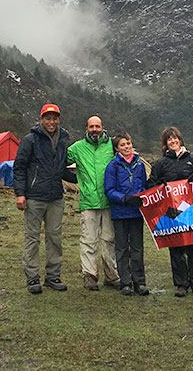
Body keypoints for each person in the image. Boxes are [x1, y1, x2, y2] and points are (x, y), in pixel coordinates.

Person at [13, 103, 71, 294]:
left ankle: (53, 277)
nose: (51, 122)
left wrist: (86, 179)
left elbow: (63, 168)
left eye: (54, 118)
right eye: (48, 118)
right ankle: (32, 278)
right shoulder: (30, 140)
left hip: (55, 196)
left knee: (55, 237)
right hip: (34, 196)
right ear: (41, 119)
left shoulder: (63, 139)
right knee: (32, 238)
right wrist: (20, 194)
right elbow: (19, 167)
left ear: (58, 120)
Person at [146, 126, 193, 298]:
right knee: (177, 250)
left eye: (175, 138)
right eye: (169, 139)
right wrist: (161, 185)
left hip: (192, 210)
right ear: (165, 144)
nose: (173, 141)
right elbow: (151, 185)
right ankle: (181, 284)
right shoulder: (160, 163)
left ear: (180, 140)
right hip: (171, 212)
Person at [67, 116, 120, 291]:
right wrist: (70, 179)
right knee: (89, 240)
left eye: (97, 126)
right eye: (91, 126)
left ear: (103, 127)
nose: (94, 129)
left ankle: (112, 276)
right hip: (89, 202)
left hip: (109, 200)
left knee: (109, 240)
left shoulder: (112, 146)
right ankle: (89, 276)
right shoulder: (77, 148)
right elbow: (60, 161)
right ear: (87, 128)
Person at [104, 131, 149, 296]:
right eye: (122, 145)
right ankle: (125, 282)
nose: (127, 147)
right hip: (120, 213)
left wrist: (142, 196)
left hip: (137, 213)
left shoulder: (140, 164)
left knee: (137, 248)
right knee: (122, 249)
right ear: (117, 148)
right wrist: (124, 199)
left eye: (128, 144)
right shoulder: (112, 166)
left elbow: (143, 185)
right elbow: (109, 190)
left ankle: (140, 282)